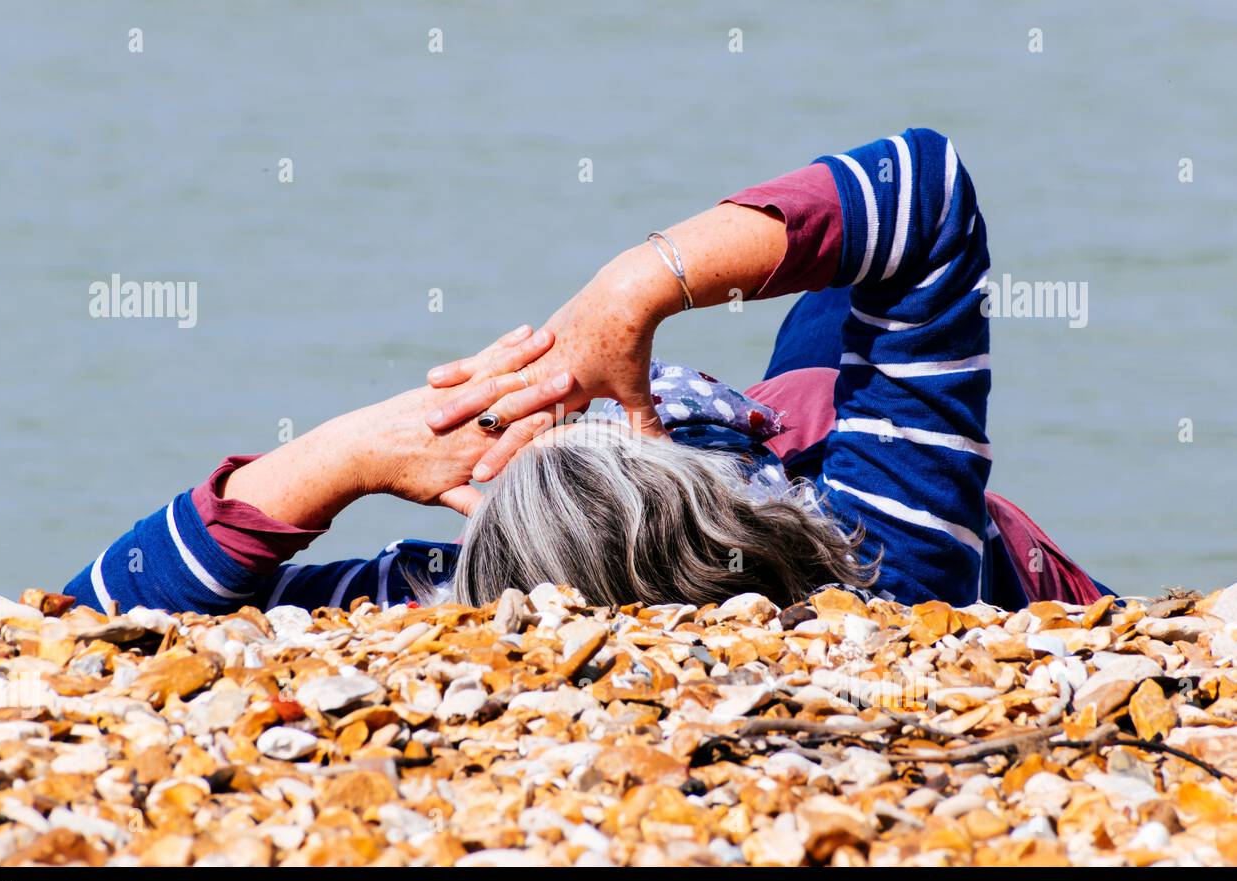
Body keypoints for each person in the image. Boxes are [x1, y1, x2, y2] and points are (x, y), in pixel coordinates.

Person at [64, 127, 1110, 617]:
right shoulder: (893, 547)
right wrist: (636, 289)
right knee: (846, 295)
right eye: (674, 418)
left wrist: (346, 454)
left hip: (787, 445)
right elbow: (922, 191)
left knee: (837, 299)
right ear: (738, 492)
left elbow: (94, 627)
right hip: (976, 543)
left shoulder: (459, 607)